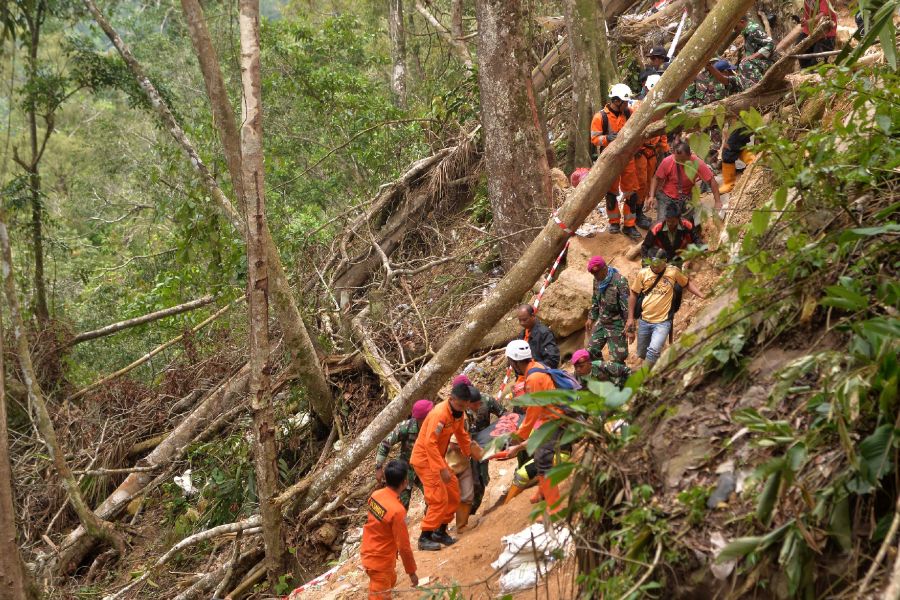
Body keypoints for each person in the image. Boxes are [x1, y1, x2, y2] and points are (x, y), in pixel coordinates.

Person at [409, 383, 483, 550]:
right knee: (438, 497)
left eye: (465, 406)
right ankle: (424, 537)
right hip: (425, 460)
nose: (462, 409)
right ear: (451, 399)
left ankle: (440, 531)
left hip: (437, 459)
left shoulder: (458, 413)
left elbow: (461, 435)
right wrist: (441, 469)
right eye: (459, 405)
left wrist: (471, 451)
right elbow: (429, 444)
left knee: (454, 492)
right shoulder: (439, 415)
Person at [504, 340, 566, 519]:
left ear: (514, 362)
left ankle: (554, 507)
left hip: (555, 419)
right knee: (539, 457)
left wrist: (519, 435)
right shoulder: (535, 367)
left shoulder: (534, 379)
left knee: (544, 461)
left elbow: (532, 412)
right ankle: (541, 491)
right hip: (550, 417)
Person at [626, 248, 706, 369]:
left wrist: (702, 295)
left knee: (653, 350)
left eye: (659, 265)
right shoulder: (643, 273)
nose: (656, 268)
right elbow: (633, 294)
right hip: (644, 320)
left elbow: (686, 283)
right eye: (654, 264)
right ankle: (657, 368)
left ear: (665, 262)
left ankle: (644, 378)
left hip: (663, 322)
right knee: (642, 353)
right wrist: (630, 318)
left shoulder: (673, 272)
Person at [361, 460, 419, 599]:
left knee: (391, 579)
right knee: (380, 594)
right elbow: (404, 547)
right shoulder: (398, 512)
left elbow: (375, 521)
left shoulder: (375, 496)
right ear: (404, 482)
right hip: (379, 561)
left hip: (371, 550)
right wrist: (412, 572)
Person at [591, 83, 642, 239]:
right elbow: (594, 139)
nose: (627, 105)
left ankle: (629, 225)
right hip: (609, 159)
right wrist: (607, 138)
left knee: (631, 193)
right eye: (625, 102)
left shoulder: (629, 113)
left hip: (628, 158)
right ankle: (614, 222)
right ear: (617, 101)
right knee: (611, 193)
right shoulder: (601, 117)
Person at [647, 141, 721, 233]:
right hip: (666, 197)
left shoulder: (697, 163)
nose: (680, 163)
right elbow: (656, 178)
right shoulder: (667, 161)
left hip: (686, 198)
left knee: (685, 227)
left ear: (689, 156)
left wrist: (718, 201)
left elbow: (712, 181)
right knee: (662, 225)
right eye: (677, 160)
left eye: (683, 161)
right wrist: (651, 196)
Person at [375, 399, 434, 509]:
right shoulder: (406, 427)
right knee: (401, 505)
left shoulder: (436, 426)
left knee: (433, 499)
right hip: (406, 470)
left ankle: (432, 525)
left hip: (426, 469)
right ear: (421, 419)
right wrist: (378, 467)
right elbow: (386, 443)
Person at [633, 74, 669, 228]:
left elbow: (662, 129)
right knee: (639, 184)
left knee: (647, 184)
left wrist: (663, 147)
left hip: (652, 152)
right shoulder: (636, 108)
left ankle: (640, 212)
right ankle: (635, 214)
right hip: (640, 152)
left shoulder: (661, 109)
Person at [584, 256, 629, 369]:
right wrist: (591, 318)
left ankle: (620, 379)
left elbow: (627, 307)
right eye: (593, 275)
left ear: (604, 269)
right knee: (590, 352)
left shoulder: (619, 281)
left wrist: (629, 328)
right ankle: (603, 372)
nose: (595, 276)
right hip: (602, 322)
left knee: (617, 360)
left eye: (597, 273)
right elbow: (595, 299)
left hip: (617, 324)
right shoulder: (597, 281)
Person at [445, 434, 475, 532]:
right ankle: (439, 529)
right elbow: (453, 444)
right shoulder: (453, 420)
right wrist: (470, 446)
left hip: (464, 464)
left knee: (467, 495)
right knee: (445, 499)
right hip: (449, 466)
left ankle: (461, 526)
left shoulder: (465, 420)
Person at [516, 304, 560, 369]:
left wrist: (535, 369)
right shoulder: (522, 335)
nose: (522, 323)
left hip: (541, 373)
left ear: (533, 316)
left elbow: (553, 359)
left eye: (525, 320)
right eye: (520, 320)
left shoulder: (544, 333)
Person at [734, 14, 774, 83]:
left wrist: (754, 56)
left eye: (735, 27)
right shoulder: (746, 31)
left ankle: (761, 85)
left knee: (744, 65)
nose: (734, 29)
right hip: (759, 62)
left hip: (767, 61)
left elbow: (770, 44)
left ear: (742, 22)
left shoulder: (753, 30)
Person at [799, 0, 837, 69]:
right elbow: (807, 16)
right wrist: (804, 21)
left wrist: (808, 22)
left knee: (818, 63)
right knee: (800, 50)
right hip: (811, 32)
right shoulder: (806, 1)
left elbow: (823, 15)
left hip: (826, 34)